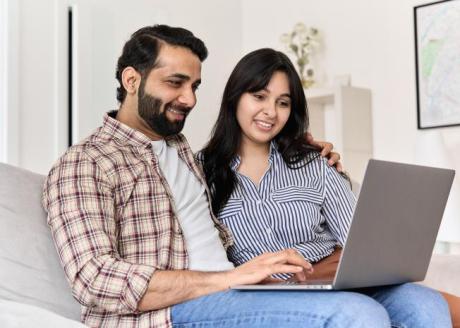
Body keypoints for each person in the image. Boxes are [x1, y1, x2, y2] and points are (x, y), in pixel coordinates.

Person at [42, 25, 448, 328]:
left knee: (423, 306)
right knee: (354, 315)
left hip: (237, 291)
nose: (190, 99)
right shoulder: (85, 163)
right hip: (172, 311)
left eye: (195, 86)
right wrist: (230, 277)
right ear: (131, 80)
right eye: (175, 83)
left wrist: (318, 155)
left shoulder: (181, 153)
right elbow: (93, 279)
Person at [200, 47, 458, 327]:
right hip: (267, 295)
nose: (271, 112)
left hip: (331, 281)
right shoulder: (202, 172)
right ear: (235, 96)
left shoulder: (315, 162)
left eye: (283, 102)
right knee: (358, 313)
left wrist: (339, 268)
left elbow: (358, 239)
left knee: (427, 304)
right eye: (259, 97)